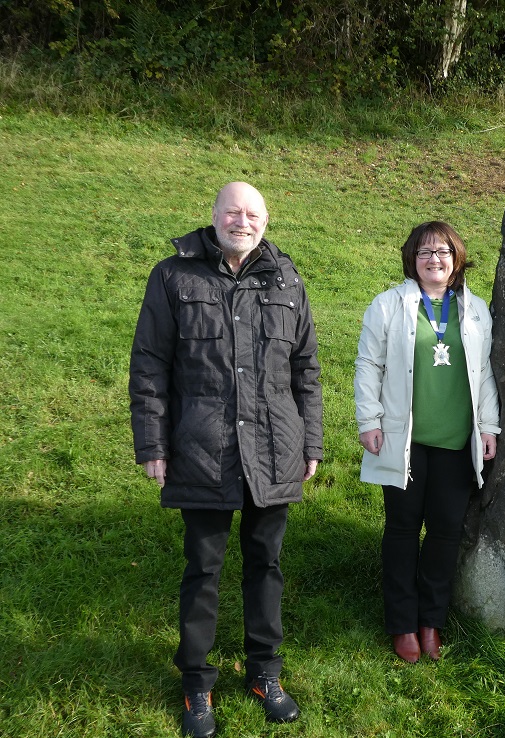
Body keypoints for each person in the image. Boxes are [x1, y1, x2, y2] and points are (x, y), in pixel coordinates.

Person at [129, 182, 324, 737]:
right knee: (203, 570)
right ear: (213, 216)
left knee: (266, 566)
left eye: (254, 214)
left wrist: (311, 442)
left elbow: (306, 370)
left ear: (266, 221)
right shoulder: (173, 276)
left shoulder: (287, 277)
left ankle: (265, 673)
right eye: (233, 211)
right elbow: (149, 365)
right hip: (201, 449)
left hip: (273, 448)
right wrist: (153, 445)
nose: (243, 221)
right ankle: (197, 683)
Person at [354, 221, 500, 663]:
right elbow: (368, 365)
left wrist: (489, 425)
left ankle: (430, 621)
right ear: (411, 259)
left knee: (444, 533)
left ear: (456, 261)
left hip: (456, 440)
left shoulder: (474, 311)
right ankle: (402, 623)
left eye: (443, 252)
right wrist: (369, 419)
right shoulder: (388, 306)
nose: (434, 259)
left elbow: (486, 371)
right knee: (401, 530)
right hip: (404, 439)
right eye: (424, 252)